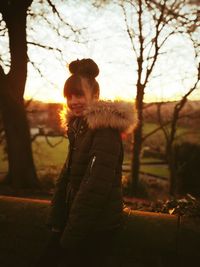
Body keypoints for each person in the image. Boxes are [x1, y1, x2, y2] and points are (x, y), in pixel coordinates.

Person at [36, 58, 135, 267]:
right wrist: (57, 220)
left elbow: (95, 188)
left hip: (96, 228)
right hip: (77, 221)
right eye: (69, 96)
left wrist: (70, 235)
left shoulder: (104, 131)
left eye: (79, 94)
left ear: (96, 96)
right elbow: (68, 175)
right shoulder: (79, 127)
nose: (73, 101)